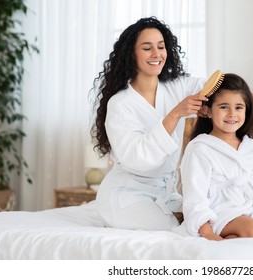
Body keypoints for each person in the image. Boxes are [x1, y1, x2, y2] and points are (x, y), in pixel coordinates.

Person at [91, 17, 207, 231]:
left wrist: (217, 103)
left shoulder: (175, 87)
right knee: (173, 229)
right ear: (131, 54)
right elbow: (138, 158)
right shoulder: (120, 104)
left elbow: (213, 86)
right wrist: (176, 114)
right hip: (126, 196)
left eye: (161, 47)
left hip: (165, 194)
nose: (157, 54)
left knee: (207, 217)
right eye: (147, 48)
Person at [180, 73, 253, 240]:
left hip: (251, 208)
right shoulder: (200, 148)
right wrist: (207, 232)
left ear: (246, 110)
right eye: (224, 107)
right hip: (219, 211)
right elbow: (194, 195)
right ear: (208, 110)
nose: (232, 114)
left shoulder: (249, 147)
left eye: (238, 107)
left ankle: (234, 238)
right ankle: (238, 234)